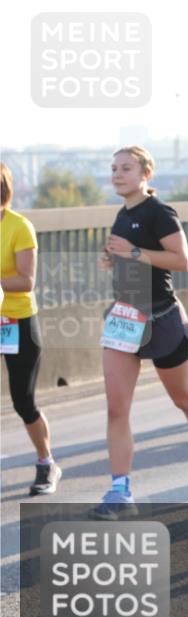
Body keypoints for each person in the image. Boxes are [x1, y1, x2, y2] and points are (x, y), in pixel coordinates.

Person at [92, 146, 188, 520]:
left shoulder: (159, 212)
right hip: (124, 318)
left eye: (126, 168)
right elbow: (131, 257)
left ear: (146, 173)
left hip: (162, 318)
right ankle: (121, 490)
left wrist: (133, 253)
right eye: (114, 168)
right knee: (117, 408)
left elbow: (181, 261)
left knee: (183, 397)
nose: (117, 174)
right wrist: (112, 258)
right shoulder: (122, 214)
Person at [1, 162, 60, 496]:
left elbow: (26, 280)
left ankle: (46, 462)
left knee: (23, 401)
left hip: (16, 322)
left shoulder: (19, 226)